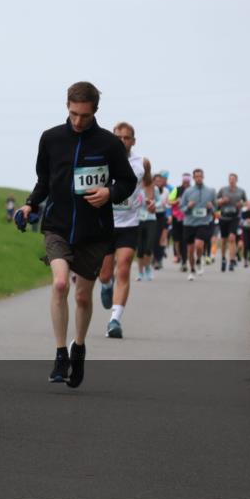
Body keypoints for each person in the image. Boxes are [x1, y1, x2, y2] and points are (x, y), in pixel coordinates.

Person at [19, 82, 136, 388]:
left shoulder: (109, 144)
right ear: (67, 107)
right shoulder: (51, 139)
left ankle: (78, 348)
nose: (78, 121)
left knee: (83, 296)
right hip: (57, 225)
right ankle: (60, 354)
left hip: (94, 231)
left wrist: (109, 192)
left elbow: (128, 180)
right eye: (73, 114)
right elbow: (43, 180)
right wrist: (30, 204)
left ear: (95, 111)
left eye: (84, 115)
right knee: (60, 284)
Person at [98, 122, 151, 339]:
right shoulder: (102, 159)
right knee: (104, 274)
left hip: (129, 223)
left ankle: (115, 320)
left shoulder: (142, 162)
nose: (121, 141)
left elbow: (148, 183)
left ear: (133, 141)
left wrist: (150, 199)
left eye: (126, 138)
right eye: (117, 137)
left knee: (124, 267)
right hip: (105, 222)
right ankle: (106, 285)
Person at [180, 168, 216, 281]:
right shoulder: (188, 191)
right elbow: (182, 208)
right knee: (190, 250)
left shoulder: (210, 191)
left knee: (199, 245)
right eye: (196, 176)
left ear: (203, 177)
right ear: (194, 178)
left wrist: (212, 207)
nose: (199, 178)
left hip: (204, 222)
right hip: (189, 223)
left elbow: (216, 208)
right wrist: (188, 207)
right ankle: (192, 270)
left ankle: (199, 260)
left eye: (200, 176)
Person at [216, 173, 248, 272]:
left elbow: (246, 202)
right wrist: (222, 201)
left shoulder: (241, 191)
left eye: (233, 179)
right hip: (223, 217)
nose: (231, 180)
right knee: (224, 240)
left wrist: (241, 204)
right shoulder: (223, 190)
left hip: (235, 217)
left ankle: (232, 260)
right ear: (228, 180)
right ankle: (223, 259)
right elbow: (215, 201)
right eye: (230, 179)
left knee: (232, 238)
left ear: (236, 180)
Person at [168, 173, 191, 269]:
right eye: (184, 181)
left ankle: (184, 260)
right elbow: (169, 201)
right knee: (177, 239)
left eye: (187, 181)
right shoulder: (176, 189)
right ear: (182, 181)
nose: (186, 183)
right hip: (176, 217)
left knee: (185, 239)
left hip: (188, 218)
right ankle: (179, 256)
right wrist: (176, 201)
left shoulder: (192, 190)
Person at [152, 171, 171, 270]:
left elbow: (168, 204)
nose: (158, 183)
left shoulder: (166, 191)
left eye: (160, 181)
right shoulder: (150, 190)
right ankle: (155, 258)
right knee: (154, 238)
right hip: (152, 215)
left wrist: (169, 215)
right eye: (156, 181)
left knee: (162, 239)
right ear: (153, 182)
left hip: (162, 216)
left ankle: (159, 260)